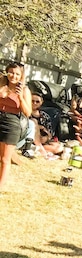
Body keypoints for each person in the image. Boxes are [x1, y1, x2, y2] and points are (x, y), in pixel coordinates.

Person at [0, 62, 32, 192]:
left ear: (21, 76)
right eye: (11, 72)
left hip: (12, 123)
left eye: (17, 74)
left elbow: (28, 112)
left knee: (5, 158)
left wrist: (19, 97)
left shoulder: (24, 90)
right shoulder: (1, 84)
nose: (14, 76)